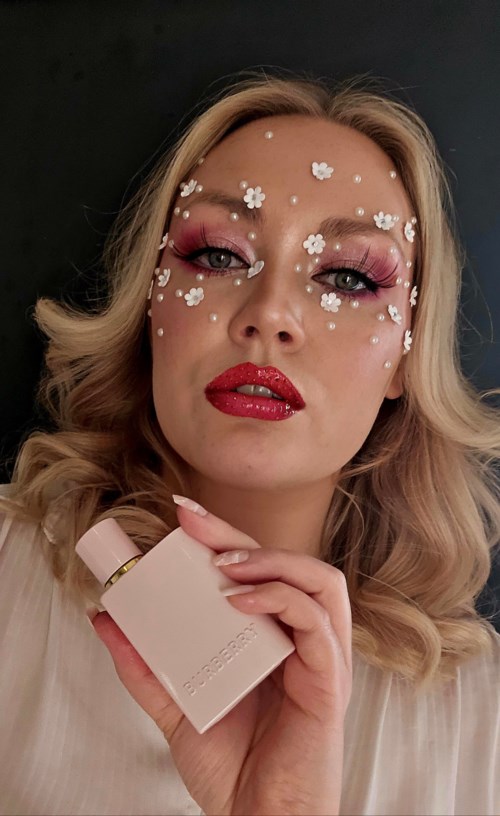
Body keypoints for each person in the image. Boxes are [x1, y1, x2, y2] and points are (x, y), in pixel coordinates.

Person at [1, 72, 499, 816]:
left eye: (346, 276)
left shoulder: (481, 733)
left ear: (406, 355)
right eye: (219, 256)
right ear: (149, 305)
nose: (270, 314)